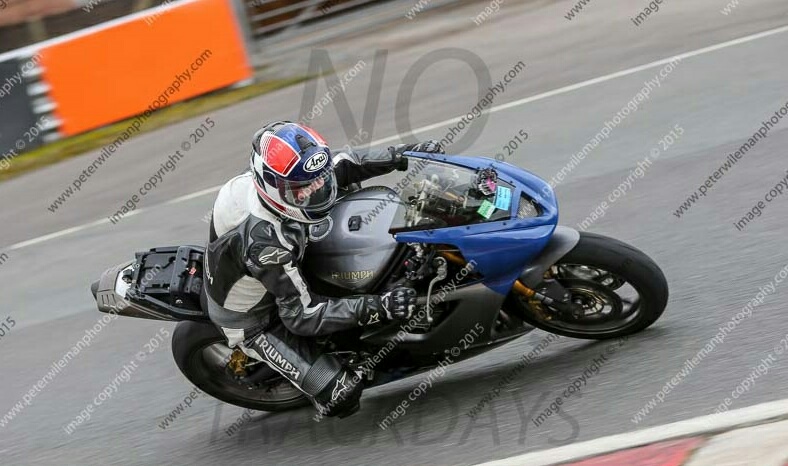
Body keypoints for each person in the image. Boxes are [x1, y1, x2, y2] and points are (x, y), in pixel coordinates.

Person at [203, 121, 444, 418]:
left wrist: (406, 154)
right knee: (341, 396)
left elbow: (346, 164)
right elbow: (301, 316)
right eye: (304, 188)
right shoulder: (268, 243)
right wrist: (379, 307)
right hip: (257, 319)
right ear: (273, 188)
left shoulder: (283, 183)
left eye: (319, 179)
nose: (317, 189)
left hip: (275, 264)